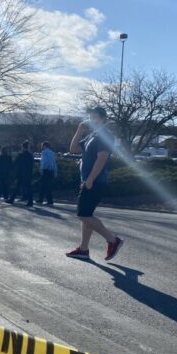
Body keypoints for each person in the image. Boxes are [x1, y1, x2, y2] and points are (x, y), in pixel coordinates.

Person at [66, 106, 123, 261]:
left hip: (95, 181)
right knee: (87, 215)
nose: (92, 120)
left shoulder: (105, 135)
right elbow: (73, 149)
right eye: (90, 117)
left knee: (82, 214)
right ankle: (83, 250)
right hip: (88, 180)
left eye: (95, 117)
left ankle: (113, 240)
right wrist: (79, 130)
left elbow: (102, 157)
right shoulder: (92, 135)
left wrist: (90, 179)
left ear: (104, 118)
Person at [7, 140, 34, 207]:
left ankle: (11, 199)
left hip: (21, 174)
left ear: (23, 147)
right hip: (27, 174)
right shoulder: (30, 156)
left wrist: (12, 170)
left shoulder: (21, 155)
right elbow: (31, 166)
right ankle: (30, 202)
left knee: (17, 187)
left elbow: (15, 164)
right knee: (28, 188)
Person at [37, 141, 57, 206]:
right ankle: (42, 200)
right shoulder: (52, 153)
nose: (41, 146)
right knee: (46, 186)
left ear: (45, 146)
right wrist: (55, 172)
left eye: (42, 145)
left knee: (43, 185)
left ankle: (47, 201)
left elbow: (44, 162)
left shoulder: (44, 152)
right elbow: (54, 163)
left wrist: (42, 169)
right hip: (51, 171)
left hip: (46, 170)